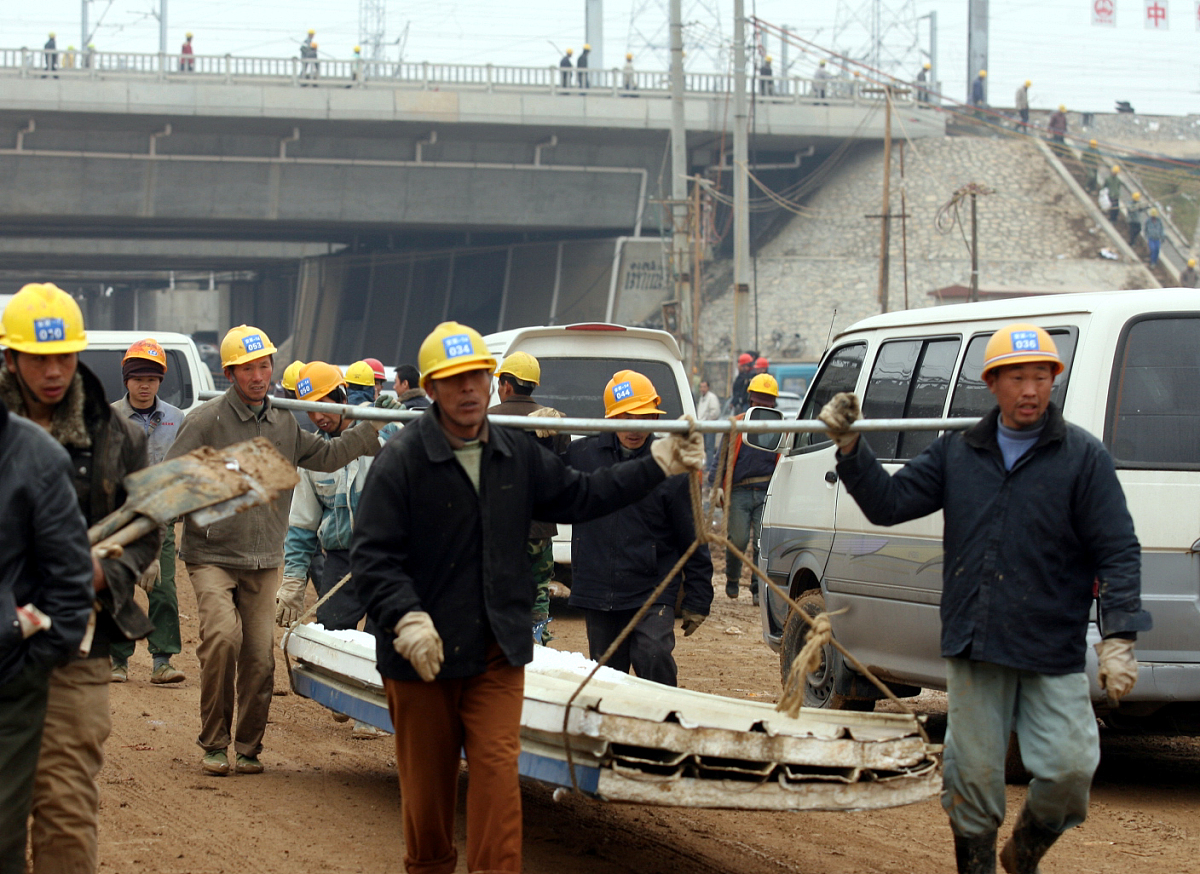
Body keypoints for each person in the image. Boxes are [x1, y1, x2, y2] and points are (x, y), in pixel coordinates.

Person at [351, 321, 704, 874]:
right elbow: (372, 556)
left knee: (496, 778)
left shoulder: (515, 454)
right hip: (423, 659)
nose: (468, 390)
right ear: (434, 388)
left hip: (495, 652)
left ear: (492, 384)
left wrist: (656, 465)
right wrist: (406, 617)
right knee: (429, 804)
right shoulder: (404, 462)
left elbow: (583, 494)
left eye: (477, 378)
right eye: (454, 381)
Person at [817, 323, 1150, 874]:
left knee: (1070, 772)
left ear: (1053, 382)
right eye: (1016, 377)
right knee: (971, 782)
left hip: (1052, 648)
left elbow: (1118, 550)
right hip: (976, 643)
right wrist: (851, 448)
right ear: (992, 383)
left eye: (1040, 377)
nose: (1029, 390)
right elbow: (889, 503)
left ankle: (1024, 853)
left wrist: (1119, 637)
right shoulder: (958, 454)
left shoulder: (1083, 459)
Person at [166, 324, 386, 776]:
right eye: (247, 368)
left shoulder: (284, 422)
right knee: (222, 640)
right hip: (212, 556)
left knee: (260, 658)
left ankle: (248, 747)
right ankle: (213, 742)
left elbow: (327, 456)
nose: (258, 375)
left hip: (264, 560)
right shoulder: (207, 421)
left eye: (264, 365)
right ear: (230, 373)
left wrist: (371, 427)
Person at [1, 283, 157, 874]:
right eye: (38, 358)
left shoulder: (119, 437)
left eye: (63, 356)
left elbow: (144, 529)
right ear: (10, 359)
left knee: (66, 808)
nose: (53, 372)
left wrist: (102, 573)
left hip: (76, 643)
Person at [565, 370, 712, 685]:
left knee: (653, 654)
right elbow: (541, 480)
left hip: (651, 588)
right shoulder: (582, 456)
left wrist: (699, 595)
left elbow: (693, 534)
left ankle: (662, 722)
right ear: (611, 417)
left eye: (643, 416)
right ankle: (617, 734)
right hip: (597, 586)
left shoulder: (671, 464)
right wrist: (546, 439)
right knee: (608, 677)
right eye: (626, 416)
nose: (635, 427)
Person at [0, 396, 94, 874]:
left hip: (20, 669)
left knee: (46, 813)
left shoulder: (40, 455)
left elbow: (71, 578)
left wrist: (33, 661)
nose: (52, 371)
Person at [275, 361, 392, 739]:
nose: (318, 416)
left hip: (390, 555)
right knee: (333, 631)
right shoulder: (313, 457)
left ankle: (370, 713)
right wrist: (293, 580)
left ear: (343, 396)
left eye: (324, 405)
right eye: (309, 409)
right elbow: (303, 523)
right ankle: (346, 697)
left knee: (382, 633)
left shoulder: (386, 437)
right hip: (341, 557)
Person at [109, 338, 186, 685]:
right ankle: (117, 660)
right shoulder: (109, 417)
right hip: (120, 520)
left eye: (152, 379)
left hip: (161, 518)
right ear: (126, 379)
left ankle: (162, 660)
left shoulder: (175, 418)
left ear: (160, 382)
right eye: (138, 378)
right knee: (117, 586)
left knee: (164, 588)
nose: (145, 385)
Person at [487, 351, 569, 643]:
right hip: (539, 528)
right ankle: (537, 647)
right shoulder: (554, 421)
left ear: (507, 385)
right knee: (537, 593)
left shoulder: (485, 420)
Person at [711, 372, 780, 603]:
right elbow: (721, 457)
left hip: (767, 492)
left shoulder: (781, 427)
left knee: (763, 543)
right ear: (751, 400)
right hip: (739, 491)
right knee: (738, 540)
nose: (762, 405)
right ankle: (732, 579)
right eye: (759, 400)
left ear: (773, 403)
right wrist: (716, 485)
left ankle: (758, 589)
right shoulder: (737, 424)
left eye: (767, 401)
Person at [696, 378, 721, 460]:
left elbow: (715, 412)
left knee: (710, 448)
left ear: (708, 388)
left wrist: (707, 419)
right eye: (701, 387)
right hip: (702, 426)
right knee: (703, 447)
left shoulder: (712, 397)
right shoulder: (701, 398)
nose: (702, 389)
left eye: (704, 387)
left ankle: (709, 467)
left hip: (709, 426)